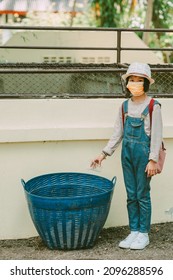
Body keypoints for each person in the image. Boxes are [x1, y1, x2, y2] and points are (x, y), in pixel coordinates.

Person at [90, 62, 163, 250]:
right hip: (127, 155)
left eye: (140, 80)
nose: (135, 83)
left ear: (146, 84)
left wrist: (153, 159)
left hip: (144, 156)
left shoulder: (154, 106)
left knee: (142, 194)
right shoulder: (124, 106)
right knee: (131, 195)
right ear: (127, 82)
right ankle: (134, 231)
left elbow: (156, 135)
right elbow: (118, 133)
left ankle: (143, 233)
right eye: (132, 80)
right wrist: (103, 154)